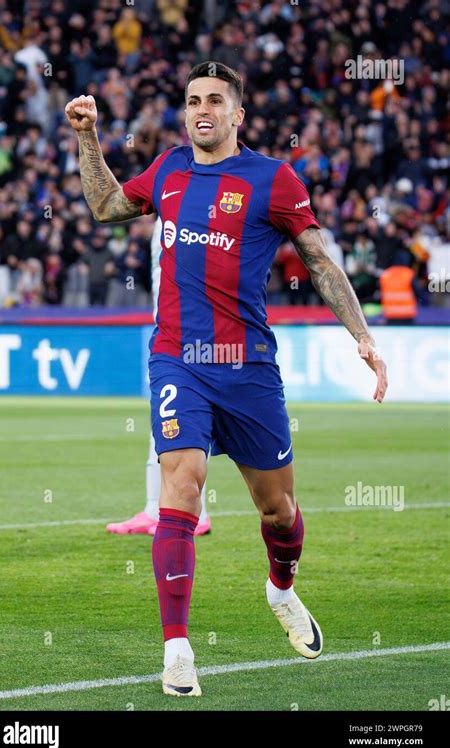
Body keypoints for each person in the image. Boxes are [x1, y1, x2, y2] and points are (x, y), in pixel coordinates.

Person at [65, 61, 388, 698]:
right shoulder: (168, 169)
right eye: (192, 101)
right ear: (184, 113)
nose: (202, 109)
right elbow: (105, 206)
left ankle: (282, 590)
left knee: (278, 510)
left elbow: (319, 260)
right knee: (180, 489)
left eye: (215, 100)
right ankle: (178, 650)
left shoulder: (274, 179)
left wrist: (363, 336)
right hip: (177, 360)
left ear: (238, 115)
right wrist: (87, 136)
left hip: (248, 369)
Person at [106, 215, 211, 537]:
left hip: (195, 338)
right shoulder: (166, 214)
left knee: (187, 427)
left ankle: (196, 512)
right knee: (163, 426)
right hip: (168, 332)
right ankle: (156, 508)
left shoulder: (193, 210)